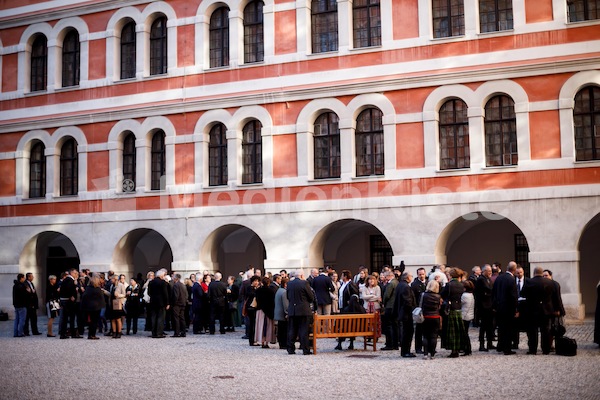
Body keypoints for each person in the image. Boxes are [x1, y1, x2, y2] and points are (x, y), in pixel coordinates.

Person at [521, 266, 557, 355]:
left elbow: (522, 293)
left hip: (532, 310)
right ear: (542, 273)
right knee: (545, 330)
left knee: (532, 330)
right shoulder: (550, 282)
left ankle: (533, 349)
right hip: (546, 310)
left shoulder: (529, 281)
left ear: (534, 273)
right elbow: (555, 297)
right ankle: (546, 349)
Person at [492, 261, 519, 355]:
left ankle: (500, 346)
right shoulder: (511, 279)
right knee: (508, 329)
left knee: (501, 328)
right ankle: (507, 349)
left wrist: (495, 306)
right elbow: (513, 296)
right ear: (514, 270)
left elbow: (494, 292)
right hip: (508, 308)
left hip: (499, 307)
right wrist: (516, 309)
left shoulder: (499, 277)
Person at [286, 269, 315, 355]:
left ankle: (290, 349)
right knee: (303, 330)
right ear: (302, 276)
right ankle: (305, 349)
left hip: (292, 310)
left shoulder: (289, 284)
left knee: (292, 330)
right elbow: (311, 297)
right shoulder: (304, 283)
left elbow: (288, 296)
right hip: (303, 310)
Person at [441, 267, 466, 358]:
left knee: (452, 332)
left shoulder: (449, 285)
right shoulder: (461, 285)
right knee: (458, 331)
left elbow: (442, 295)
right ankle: (459, 348)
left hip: (451, 309)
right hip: (459, 308)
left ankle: (454, 350)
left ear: (451, 275)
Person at [335, 270, 359, 351]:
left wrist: (350, 302)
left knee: (348, 325)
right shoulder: (343, 284)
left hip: (348, 308)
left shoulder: (351, 284)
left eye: (342, 275)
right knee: (341, 325)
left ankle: (351, 343)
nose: (341, 277)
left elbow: (355, 295)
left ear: (345, 276)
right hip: (342, 307)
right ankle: (340, 342)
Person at [543, 269, 566, 350]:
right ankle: (549, 345)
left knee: (556, 328)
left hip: (554, 310)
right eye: (543, 276)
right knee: (548, 329)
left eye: (546, 275)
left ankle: (557, 345)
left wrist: (560, 310)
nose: (545, 277)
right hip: (546, 311)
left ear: (550, 276)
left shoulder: (555, 284)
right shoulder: (543, 284)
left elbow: (558, 298)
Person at [395, 271, 417, 357]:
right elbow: (407, 301)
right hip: (406, 313)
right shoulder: (405, 287)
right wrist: (412, 309)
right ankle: (406, 351)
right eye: (411, 276)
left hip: (402, 312)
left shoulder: (400, 285)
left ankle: (405, 351)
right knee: (408, 332)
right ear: (407, 278)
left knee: (406, 332)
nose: (411, 278)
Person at [475, 264, 495, 351]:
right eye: (489, 271)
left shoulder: (488, 279)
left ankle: (490, 343)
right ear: (484, 271)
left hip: (489, 305)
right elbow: (488, 289)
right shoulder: (481, 279)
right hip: (483, 306)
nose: (490, 272)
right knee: (483, 326)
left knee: (490, 326)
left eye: (491, 271)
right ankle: (482, 345)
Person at [81, 274, 106, 340]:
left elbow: (85, 297)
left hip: (90, 306)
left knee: (91, 321)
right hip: (96, 307)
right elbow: (101, 298)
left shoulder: (88, 288)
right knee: (94, 321)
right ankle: (92, 334)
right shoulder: (97, 289)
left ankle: (90, 334)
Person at [421, 280, 442, 359]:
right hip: (435, 316)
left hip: (425, 316)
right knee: (434, 336)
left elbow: (421, 305)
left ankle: (425, 353)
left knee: (425, 336)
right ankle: (432, 354)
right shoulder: (438, 296)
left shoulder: (424, 295)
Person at [60, 268, 82, 339]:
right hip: (68, 301)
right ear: (72, 273)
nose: (76, 275)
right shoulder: (69, 280)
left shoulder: (68, 280)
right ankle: (71, 333)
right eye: (75, 273)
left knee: (67, 318)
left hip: (66, 300)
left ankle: (66, 333)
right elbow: (68, 288)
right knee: (70, 317)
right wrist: (71, 296)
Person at [255, 276, 277, 348]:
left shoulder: (258, 290)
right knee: (268, 327)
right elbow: (272, 302)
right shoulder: (271, 291)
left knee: (261, 326)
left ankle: (262, 341)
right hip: (268, 311)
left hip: (260, 310)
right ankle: (267, 342)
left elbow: (257, 300)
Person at [148, 268, 170, 338]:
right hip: (161, 303)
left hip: (153, 302)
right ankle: (159, 333)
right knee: (161, 318)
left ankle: (154, 333)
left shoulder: (151, 282)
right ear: (161, 275)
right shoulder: (163, 283)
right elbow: (165, 294)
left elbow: (149, 293)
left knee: (154, 317)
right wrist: (167, 303)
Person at [381, 270, 399, 351]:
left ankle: (389, 344)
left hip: (390, 306)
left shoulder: (391, 284)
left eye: (385, 276)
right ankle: (395, 344)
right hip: (395, 307)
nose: (385, 278)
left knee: (388, 326)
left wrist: (383, 303)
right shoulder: (397, 282)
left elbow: (387, 295)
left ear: (389, 276)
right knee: (395, 326)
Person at [411, 268, 427, 354]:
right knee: (419, 330)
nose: (421, 276)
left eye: (423, 274)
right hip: (419, 309)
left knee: (427, 330)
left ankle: (427, 347)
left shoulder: (428, 283)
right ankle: (418, 348)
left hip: (427, 309)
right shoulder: (414, 284)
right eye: (420, 274)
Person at [244, 275, 261, 346]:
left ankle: (254, 339)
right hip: (251, 308)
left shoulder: (255, 288)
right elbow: (251, 294)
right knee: (252, 324)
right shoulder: (249, 288)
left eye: (257, 281)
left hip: (254, 307)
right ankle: (252, 340)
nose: (257, 282)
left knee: (254, 324)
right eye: (255, 281)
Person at [109, 274, 127, 338]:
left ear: (115, 279)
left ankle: (119, 332)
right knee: (113, 319)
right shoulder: (112, 286)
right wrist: (105, 292)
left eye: (112, 279)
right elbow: (111, 294)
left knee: (118, 319)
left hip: (118, 303)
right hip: (112, 303)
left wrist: (118, 295)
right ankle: (114, 332)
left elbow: (124, 294)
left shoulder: (120, 285)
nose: (111, 280)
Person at [274, 277, 289, 349]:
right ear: (285, 284)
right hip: (282, 314)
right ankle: (283, 344)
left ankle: (281, 343)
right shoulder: (284, 292)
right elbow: (286, 304)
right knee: (283, 330)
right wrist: (287, 313)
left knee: (280, 329)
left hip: (278, 313)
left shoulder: (279, 290)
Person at [461, 280, 475, 356]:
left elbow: (460, 303)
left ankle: (467, 349)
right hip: (469, 315)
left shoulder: (464, 296)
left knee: (464, 334)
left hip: (464, 316)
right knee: (465, 333)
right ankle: (467, 349)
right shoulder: (471, 295)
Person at [13, 273, 28, 338]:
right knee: (22, 319)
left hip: (16, 304)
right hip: (22, 304)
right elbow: (24, 295)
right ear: (21, 278)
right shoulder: (22, 286)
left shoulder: (15, 285)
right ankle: (20, 333)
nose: (24, 279)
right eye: (23, 278)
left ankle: (15, 333)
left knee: (16, 319)